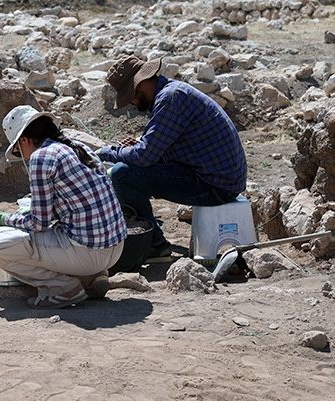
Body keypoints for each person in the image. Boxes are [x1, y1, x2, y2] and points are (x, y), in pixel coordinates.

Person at [0, 105, 128, 310]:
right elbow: (75, 203)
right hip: (116, 248)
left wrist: (2, 218)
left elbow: (39, 223)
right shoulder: (80, 148)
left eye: (18, 150)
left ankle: (62, 288)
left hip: (89, 254)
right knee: (52, 233)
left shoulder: (42, 157)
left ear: (24, 140)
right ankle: (92, 278)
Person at [97, 55, 247, 257]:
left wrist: (106, 153)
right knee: (127, 168)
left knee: (122, 175)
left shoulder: (170, 99)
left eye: (130, 96)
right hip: (217, 177)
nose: (131, 103)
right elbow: (154, 148)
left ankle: (155, 245)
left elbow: (144, 157)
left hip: (216, 185)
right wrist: (137, 149)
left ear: (139, 86)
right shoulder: (172, 92)